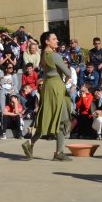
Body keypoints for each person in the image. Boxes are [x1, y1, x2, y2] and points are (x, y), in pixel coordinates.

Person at [23, 31, 73, 161]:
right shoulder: (55, 55)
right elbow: (69, 72)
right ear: (47, 41)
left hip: (48, 86)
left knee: (46, 116)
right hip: (56, 86)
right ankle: (59, 153)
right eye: (54, 39)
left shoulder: (43, 55)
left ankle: (31, 143)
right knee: (63, 119)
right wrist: (67, 73)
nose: (57, 41)